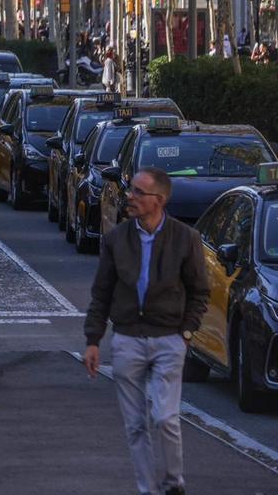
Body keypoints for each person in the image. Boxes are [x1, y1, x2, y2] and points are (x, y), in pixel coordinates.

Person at [83, 168, 209, 495]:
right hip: (127, 338)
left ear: (160, 200)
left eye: (139, 192)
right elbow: (102, 291)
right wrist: (93, 340)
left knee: (166, 417)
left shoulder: (186, 238)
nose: (130, 197)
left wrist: (187, 332)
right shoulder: (116, 239)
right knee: (135, 425)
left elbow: (199, 291)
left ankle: (173, 482)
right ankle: (148, 489)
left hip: (170, 338)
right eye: (131, 190)